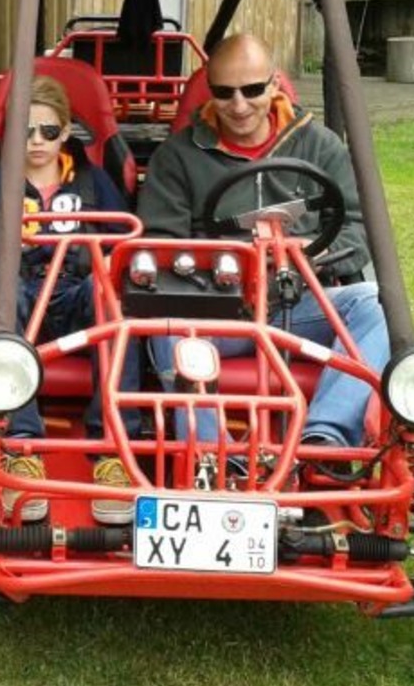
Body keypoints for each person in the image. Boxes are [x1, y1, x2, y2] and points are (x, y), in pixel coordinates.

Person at [138, 33, 390, 460]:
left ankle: (322, 440)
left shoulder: (319, 145)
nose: (239, 105)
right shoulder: (179, 156)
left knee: (374, 302)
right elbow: (160, 243)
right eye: (224, 92)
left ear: (274, 85)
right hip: (216, 310)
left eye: (252, 90)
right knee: (168, 326)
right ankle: (211, 455)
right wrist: (225, 261)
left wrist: (311, 251)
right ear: (210, 93)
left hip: (301, 303)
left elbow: (357, 226)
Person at [0, 75, 140, 524]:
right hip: (17, 295)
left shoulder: (93, 183)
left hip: (76, 293)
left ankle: (114, 450)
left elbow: (125, 245)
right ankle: (22, 445)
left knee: (115, 300)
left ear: (67, 131)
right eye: (24, 131)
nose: (36, 142)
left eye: (49, 131)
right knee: (0, 291)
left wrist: (110, 273)